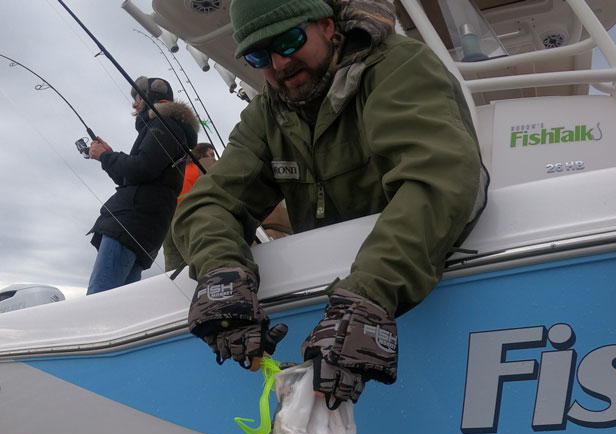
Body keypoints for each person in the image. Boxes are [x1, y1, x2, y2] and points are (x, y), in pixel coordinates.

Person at [172, 0, 488, 408]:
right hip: (337, 327)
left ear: (326, 26)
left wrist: (369, 294)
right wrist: (223, 276)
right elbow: (207, 203)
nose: (279, 63)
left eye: (289, 40)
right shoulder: (266, 114)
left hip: (398, 297)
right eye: (258, 55)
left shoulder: (397, 66)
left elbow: (442, 178)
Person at [86, 76, 199, 294]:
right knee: (121, 302)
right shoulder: (169, 127)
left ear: (152, 96)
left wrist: (106, 157)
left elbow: (142, 167)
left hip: (130, 225)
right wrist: (108, 157)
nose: (134, 103)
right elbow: (135, 177)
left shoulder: (164, 124)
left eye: (138, 96)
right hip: (144, 228)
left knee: (99, 298)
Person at [163, 143, 217, 272]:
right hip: (189, 216)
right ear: (201, 154)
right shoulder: (204, 165)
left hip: (168, 219)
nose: (214, 158)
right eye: (211, 154)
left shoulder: (179, 168)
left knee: (173, 267)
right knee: (199, 259)